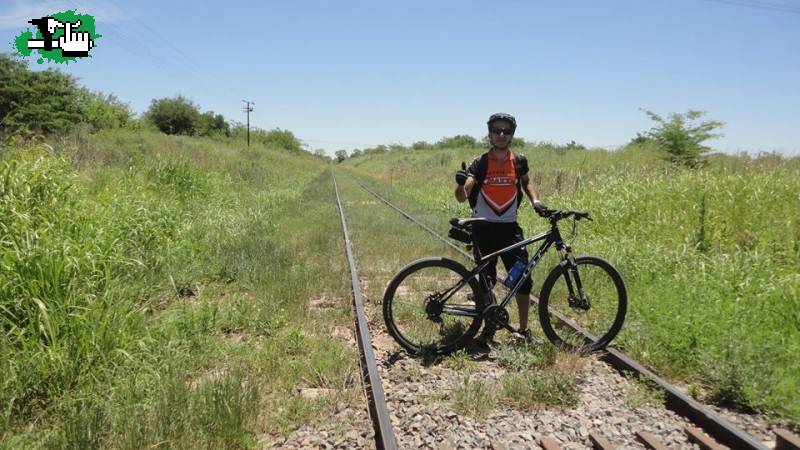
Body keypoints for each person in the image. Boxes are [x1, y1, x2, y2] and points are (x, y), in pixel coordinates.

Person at [454, 113, 546, 349]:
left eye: (506, 131)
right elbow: (461, 196)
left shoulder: (519, 161)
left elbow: (526, 182)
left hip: (509, 229)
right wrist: (460, 182)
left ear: (512, 134)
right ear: (490, 133)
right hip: (483, 229)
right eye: (497, 130)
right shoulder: (480, 162)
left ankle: (523, 331)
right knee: (487, 281)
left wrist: (536, 201)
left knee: (522, 279)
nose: (502, 135)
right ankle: (488, 330)